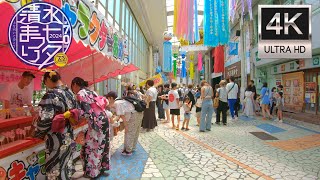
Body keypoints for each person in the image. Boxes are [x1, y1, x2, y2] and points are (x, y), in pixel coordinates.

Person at [34, 71, 78, 180]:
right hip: (68, 132)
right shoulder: (70, 93)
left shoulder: (51, 94)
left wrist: (38, 132)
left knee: (55, 165)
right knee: (66, 162)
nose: (46, 85)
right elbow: (77, 111)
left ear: (48, 80)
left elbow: (45, 119)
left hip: (56, 136)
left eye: (45, 82)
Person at [71, 77, 110, 178]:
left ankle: (93, 173)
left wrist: (75, 115)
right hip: (103, 118)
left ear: (75, 84)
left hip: (95, 121)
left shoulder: (80, 94)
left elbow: (85, 112)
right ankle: (102, 168)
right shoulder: (93, 92)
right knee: (102, 144)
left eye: (72, 87)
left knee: (93, 147)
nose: (73, 90)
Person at [106, 91, 141, 155]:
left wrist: (126, 126)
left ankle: (128, 151)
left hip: (134, 115)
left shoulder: (117, 103)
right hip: (136, 114)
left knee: (129, 132)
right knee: (134, 131)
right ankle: (132, 147)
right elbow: (119, 115)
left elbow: (122, 116)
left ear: (110, 98)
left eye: (107, 99)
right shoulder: (118, 101)